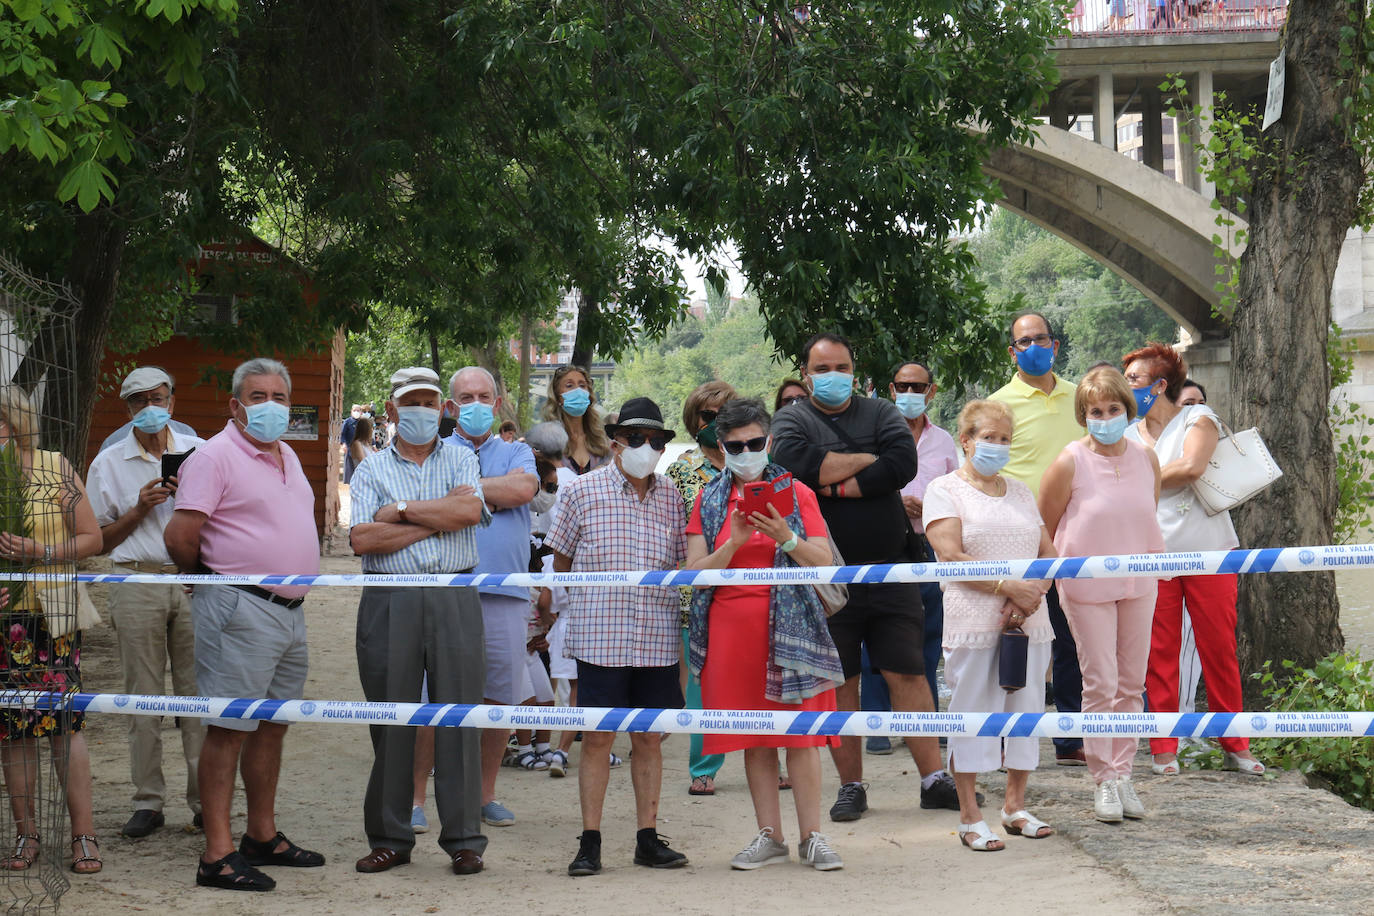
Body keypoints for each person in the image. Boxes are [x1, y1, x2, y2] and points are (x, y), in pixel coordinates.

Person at [770, 333, 965, 821]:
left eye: (841, 367)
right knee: (843, 681)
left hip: (891, 568)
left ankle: (933, 779)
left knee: (910, 673)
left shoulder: (881, 412)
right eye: (822, 368)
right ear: (806, 372)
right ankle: (851, 786)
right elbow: (795, 467)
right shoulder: (792, 418)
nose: (832, 376)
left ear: (854, 371)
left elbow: (901, 464)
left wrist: (831, 479)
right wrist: (864, 463)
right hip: (825, 577)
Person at [164, 358, 324, 892]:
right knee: (229, 727)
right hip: (239, 607)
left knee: (272, 725)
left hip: (288, 613)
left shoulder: (290, 454)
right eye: (259, 396)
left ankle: (261, 835)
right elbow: (181, 535)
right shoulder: (213, 456)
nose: (271, 405)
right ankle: (217, 853)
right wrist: (204, 580)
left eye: (280, 395)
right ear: (235, 405)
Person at [686, 398, 845, 871]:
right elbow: (694, 574)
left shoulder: (797, 494)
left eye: (755, 442)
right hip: (730, 633)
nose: (747, 450)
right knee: (755, 739)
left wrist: (786, 537)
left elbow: (826, 563)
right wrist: (733, 542)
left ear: (769, 441)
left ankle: (813, 836)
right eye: (736, 445)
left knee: (802, 737)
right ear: (722, 446)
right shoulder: (708, 499)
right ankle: (770, 836)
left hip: (792, 632)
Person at [348, 366, 490, 877]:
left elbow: (469, 515)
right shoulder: (368, 469)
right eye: (412, 403)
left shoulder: (462, 457)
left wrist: (401, 511)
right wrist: (436, 519)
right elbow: (363, 540)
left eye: (431, 402)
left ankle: (464, 838)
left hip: (454, 594)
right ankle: (390, 836)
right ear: (390, 410)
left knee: (460, 717)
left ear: (443, 410)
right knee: (391, 718)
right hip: (391, 597)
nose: (423, 411)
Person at [545, 397, 689, 877]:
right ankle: (590, 841)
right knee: (598, 739)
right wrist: (574, 611)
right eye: (636, 439)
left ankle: (647, 838)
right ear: (616, 442)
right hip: (600, 639)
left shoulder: (673, 497)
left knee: (649, 739)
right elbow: (560, 562)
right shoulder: (580, 493)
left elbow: (681, 567)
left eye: (655, 441)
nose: (646, 448)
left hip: (656, 640)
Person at [1122, 344, 1265, 777]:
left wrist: (1127, 483)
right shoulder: (1126, 432)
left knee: (1218, 649)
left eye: (1135, 381)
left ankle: (1235, 745)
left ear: (1160, 384)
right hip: (1153, 554)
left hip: (1209, 553)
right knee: (1158, 652)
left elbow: (1191, 467)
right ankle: (1164, 749)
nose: (1128, 388)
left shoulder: (1198, 418)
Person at [923, 400, 1057, 851]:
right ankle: (969, 815)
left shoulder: (1020, 490)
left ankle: (1015, 807)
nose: (997, 446)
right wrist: (1007, 587)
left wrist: (1028, 595)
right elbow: (951, 556)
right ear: (965, 439)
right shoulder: (944, 490)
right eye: (989, 437)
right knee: (972, 712)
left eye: (1005, 438)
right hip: (973, 621)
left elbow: (1048, 554)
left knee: (1027, 711)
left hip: (1028, 620)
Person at [1039, 366, 1164, 823]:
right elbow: (1045, 528)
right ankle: (1103, 779)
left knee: (1133, 683)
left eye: (1113, 409)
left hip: (1139, 583)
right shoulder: (1069, 461)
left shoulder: (1146, 457)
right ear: (1084, 415)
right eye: (1096, 410)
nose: (1105, 417)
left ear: (1127, 410)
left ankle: (1126, 772)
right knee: (1102, 681)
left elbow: (1146, 510)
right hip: (1087, 586)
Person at [86, 367, 206, 840]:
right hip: (136, 580)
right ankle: (148, 801)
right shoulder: (109, 462)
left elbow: (219, 520)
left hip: (194, 581)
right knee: (143, 697)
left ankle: (203, 801)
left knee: (199, 695)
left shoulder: (200, 453)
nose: (150, 407)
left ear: (173, 400)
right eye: (139, 400)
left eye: (158, 397)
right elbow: (97, 540)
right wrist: (139, 508)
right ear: (127, 408)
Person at [0, 387, 104, 874]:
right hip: (4, 624)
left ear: (12, 420)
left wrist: (37, 554)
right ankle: (27, 837)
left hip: (52, 618)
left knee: (65, 727)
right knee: (13, 732)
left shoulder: (55, 466)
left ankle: (83, 837)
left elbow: (92, 538)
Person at [989, 310, 1087, 767]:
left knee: (1071, 639)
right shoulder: (999, 405)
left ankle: (1070, 737)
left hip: (1076, 536)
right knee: (1015, 636)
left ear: (1055, 344)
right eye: (1023, 341)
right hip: (1019, 539)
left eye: (1040, 338)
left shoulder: (1082, 400)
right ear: (1012, 351)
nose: (1033, 347)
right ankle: (1008, 737)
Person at [448, 366, 539, 828]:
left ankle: (485, 795)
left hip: (506, 592)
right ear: (450, 406)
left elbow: (524, 488)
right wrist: (492, 494)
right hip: (446, 593)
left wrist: (460, 495)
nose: (476, 404)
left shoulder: (518, 449)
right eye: (466, 397)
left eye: (484, 396)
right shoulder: (437, 451)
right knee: (435, 699)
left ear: (499, 402)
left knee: (500, 699)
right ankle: (418, 801)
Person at [665, 380, 737, 797]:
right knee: (702, 683)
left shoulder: (756, 463)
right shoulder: (680, 470)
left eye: (726, 414)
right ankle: (704, 767)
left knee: (766, 676)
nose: (718, 423)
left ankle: (775, 757)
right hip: (699, 592)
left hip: (756, 587)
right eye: (710, 416)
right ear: (696, 421)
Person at [892, 360, 959, 706]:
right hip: (887, 545)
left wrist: (932, 508)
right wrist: (896, 503)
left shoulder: (945, 441)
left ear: (931, 392)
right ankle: (878, 722)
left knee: (931, 634)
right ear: (892, 390)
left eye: (918, 387)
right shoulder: (879, 434)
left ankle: (928, 715)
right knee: (885, 633)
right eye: (902, 386)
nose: (909, 394)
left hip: (931, 546)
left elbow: (955, 493)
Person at [1173, 377, 1206, 716]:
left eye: (1200, 402)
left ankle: (1186, 720)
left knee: (1192, 647)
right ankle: (1169, 728)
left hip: (1204, 555)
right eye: (1187, 404)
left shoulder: (1213, 444)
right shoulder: (1148, 446)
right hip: (1161, 558)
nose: (1195, 411)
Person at [541, 365, 610, 475]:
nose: (578, 390)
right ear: (557, 397)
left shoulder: (602, 439)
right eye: (569, 385)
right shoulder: (546, 444)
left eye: (582, 385)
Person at [345, 414, 375, 485]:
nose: (372, 430)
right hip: (362, 479)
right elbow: (363, 461)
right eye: (371, 428)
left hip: (370, 478)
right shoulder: (357, 443)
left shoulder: (367, 444)